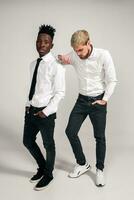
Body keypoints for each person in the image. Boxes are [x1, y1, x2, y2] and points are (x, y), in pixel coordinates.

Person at [58, 30, 117, 187]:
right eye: (75, 50)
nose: (78, 53)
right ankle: (82, 163)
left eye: (80, 50)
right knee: (70, 131)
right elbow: (65, 59)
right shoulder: (75, 54)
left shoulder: (103, 55)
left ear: (89, 43)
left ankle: (99, 170)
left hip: (98, 101)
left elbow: (112, 80)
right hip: (81, 101)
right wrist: (62, 59)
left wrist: (104, 100)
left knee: (99, 137)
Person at [23, 24, 65, 191]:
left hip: (45, 113)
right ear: (36, 42)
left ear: (51, 45)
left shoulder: (57, 65)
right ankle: (42, 168)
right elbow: (33, 86)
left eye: (46, 42)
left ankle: (49, 174)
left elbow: (60, 93)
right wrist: (28, 105)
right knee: (27, 141)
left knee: (49, 144)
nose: (42, 44)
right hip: (31, 110)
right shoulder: (33, 64)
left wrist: (46, 111)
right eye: (39, 41)